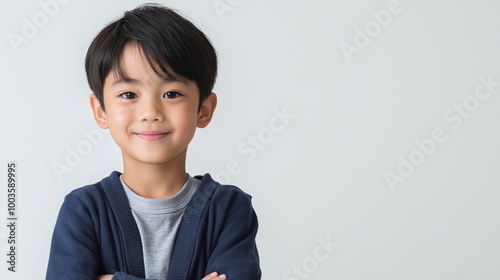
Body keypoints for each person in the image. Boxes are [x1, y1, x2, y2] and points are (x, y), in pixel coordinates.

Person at [45, 3, 261, 280]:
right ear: (101, 111)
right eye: (128, 94)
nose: (150, 113)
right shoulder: (82, 210)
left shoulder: (230, 209)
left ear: (204, 109)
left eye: (171, 94)